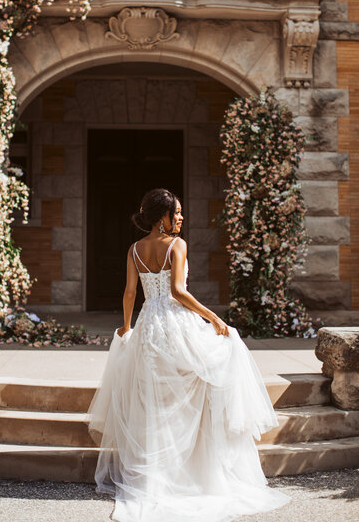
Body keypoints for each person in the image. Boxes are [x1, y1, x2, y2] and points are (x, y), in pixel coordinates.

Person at [85, 187, 291, 522]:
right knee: (217, 364)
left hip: (148, 327)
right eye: (175, 212)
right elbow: (178, 292)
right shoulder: (176, 245)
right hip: (176, 325)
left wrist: (127, 329)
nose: (181, 218)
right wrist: (214, 318)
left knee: (155, 403)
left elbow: (129, 293)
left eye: (180, 212)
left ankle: (161, 475)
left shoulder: (135, 249)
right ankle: (198, 469)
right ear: (160, 217)